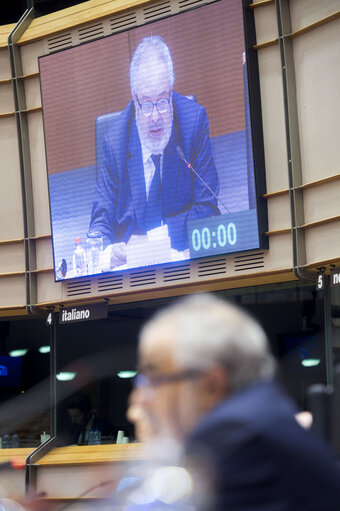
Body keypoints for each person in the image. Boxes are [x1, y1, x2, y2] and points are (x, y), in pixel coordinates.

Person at [132, 294, 340, 510]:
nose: (140, 401)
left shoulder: (236, 436)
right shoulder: (259, 414)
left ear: (210, 386)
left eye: (153, 381)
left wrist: (161, 449)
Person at [89, 36, 219, 268]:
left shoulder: (193, 123)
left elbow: (208, 209)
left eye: (162, 101)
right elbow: (100, 224)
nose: (156, 117)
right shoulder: (115, 141)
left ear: (171, 92)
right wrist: (111, 252)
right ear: (135, 101)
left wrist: (152, 240)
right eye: (147, 105)